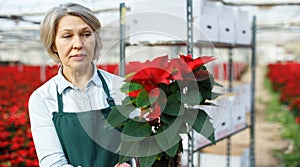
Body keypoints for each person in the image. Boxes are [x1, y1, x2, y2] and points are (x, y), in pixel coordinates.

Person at [28, 3, 131, 167]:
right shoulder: (43, 99)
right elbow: (53, 163)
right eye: (67, 36)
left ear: (95, 39)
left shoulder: (121, 88)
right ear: (54, 44)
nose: (78, 44)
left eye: (86, 34)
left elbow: (136, 146)